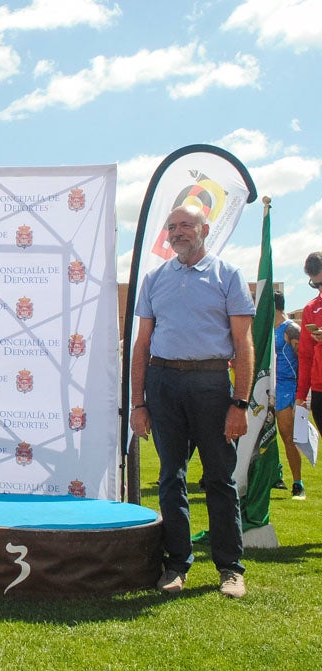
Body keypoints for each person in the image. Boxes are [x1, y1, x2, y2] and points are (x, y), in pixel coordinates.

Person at [129, 204, 254, 598]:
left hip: (212, 384)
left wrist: (240, 403)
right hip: (163, 383)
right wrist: (138, 403)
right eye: (172, 227)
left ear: (204, 229)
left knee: (219, 479)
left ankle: (230, 569)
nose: (178, 232)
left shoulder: (227, 274)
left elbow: (243, 343)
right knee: (170, 478)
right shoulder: (154, 279)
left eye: (186, 225)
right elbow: (142, 344)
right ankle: (176, 563)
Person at [296, 251, 322, 496]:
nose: (319, 288)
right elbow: (304, 355)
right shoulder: (311, 309)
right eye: (316, 284)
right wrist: (301, 394)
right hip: (320, 390)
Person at [274, 290, 303, 498]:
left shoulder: (291, 329)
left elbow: (302, 359)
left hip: (288, 386)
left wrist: (302, 394)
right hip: (270, 385)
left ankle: (298, 482)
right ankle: (275, 476)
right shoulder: (268, 328)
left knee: (288, 436)